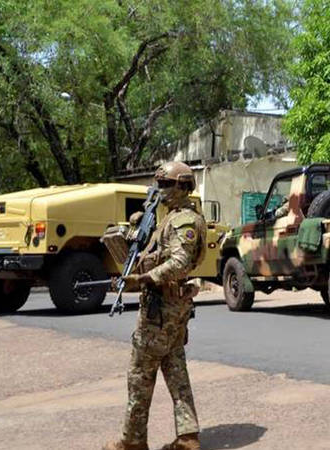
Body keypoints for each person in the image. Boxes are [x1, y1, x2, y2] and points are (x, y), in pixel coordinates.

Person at [104, 161, 207, 450]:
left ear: (183, 186)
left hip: (161, 309)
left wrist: (146, 279)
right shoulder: (171, 218)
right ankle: (187, 437)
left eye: (166, 184)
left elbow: (180, 262)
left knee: (140, 374)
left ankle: (133, 441)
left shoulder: (183, 221)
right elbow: (157, 255)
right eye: (158, 184)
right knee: (176, 372)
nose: (160, 190)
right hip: (172, 308)